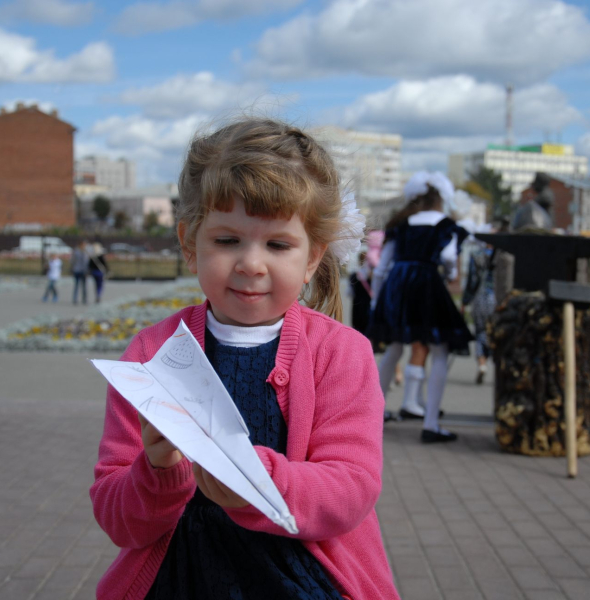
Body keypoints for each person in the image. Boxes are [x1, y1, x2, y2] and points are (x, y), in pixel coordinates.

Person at [90, 118, 398, 600]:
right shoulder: (151, 354)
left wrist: (251, 476)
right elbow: (117, 519)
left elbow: (350, 490)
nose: (252, 263)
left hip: (300, 575)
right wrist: (155, 469)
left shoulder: (340, 353)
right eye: (227, 240)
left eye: (278, 244)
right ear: (190, 244)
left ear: (313, 258)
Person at [370, 171, 473, 443]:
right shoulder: (446, 225)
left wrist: (376, 301)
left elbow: (381, 268)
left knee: (393, 347)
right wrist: (449, 273)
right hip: (427, 284)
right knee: (439, 348)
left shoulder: (401, 224)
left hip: (398, 285)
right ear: (441, 199)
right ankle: (431, 424)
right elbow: (449, 257)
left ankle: (373, 416)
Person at [462, 225, 497, 384]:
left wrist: (465, 301)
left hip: (481, 297)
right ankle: (496, 363)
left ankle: (482, 363)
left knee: (480, 332)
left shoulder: (476, 255)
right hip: (498, 297)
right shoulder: (503, 255)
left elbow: (472, 281)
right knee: (497, 333)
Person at [88, 238, 108, 303]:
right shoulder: (101, 256)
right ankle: (99, 295)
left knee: (96, 285)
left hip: (94, 272)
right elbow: (105, 264)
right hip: (100, 272)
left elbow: (89, 265)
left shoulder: (92, 257)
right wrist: (107, 270)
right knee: (100, 285)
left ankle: (97, 294)